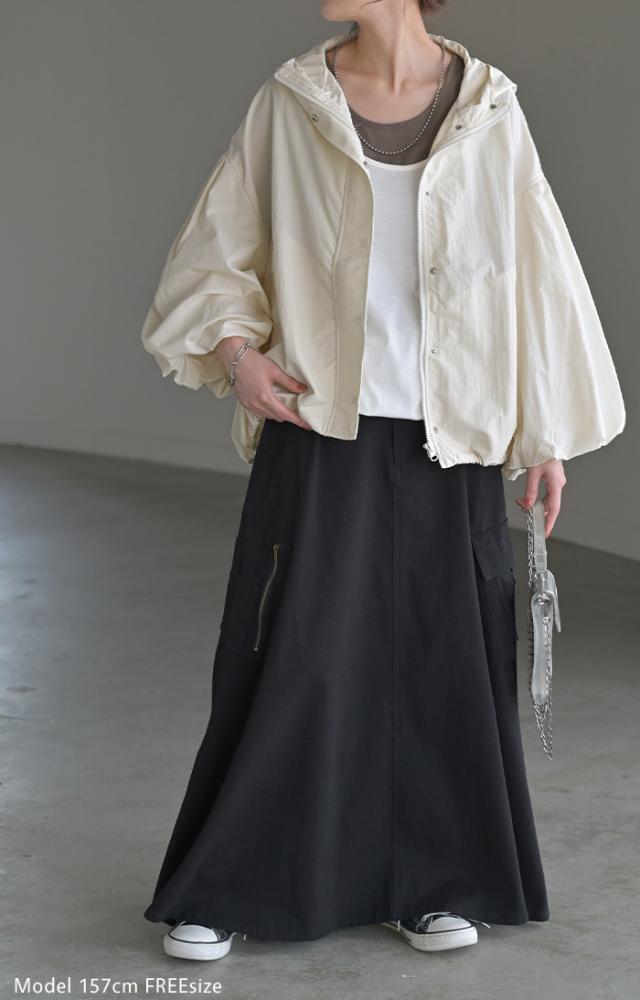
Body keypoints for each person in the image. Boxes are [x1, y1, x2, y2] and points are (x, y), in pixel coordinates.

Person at [139, 0, 626, 961]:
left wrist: (546, 437)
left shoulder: (489, 109)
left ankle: (433, 880)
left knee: (445, 663)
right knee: (295, 661)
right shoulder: (293, 102)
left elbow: (537, 276)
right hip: (320, 422)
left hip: (455, 434)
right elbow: (217, 249)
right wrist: (237, 355)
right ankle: (234, 881)